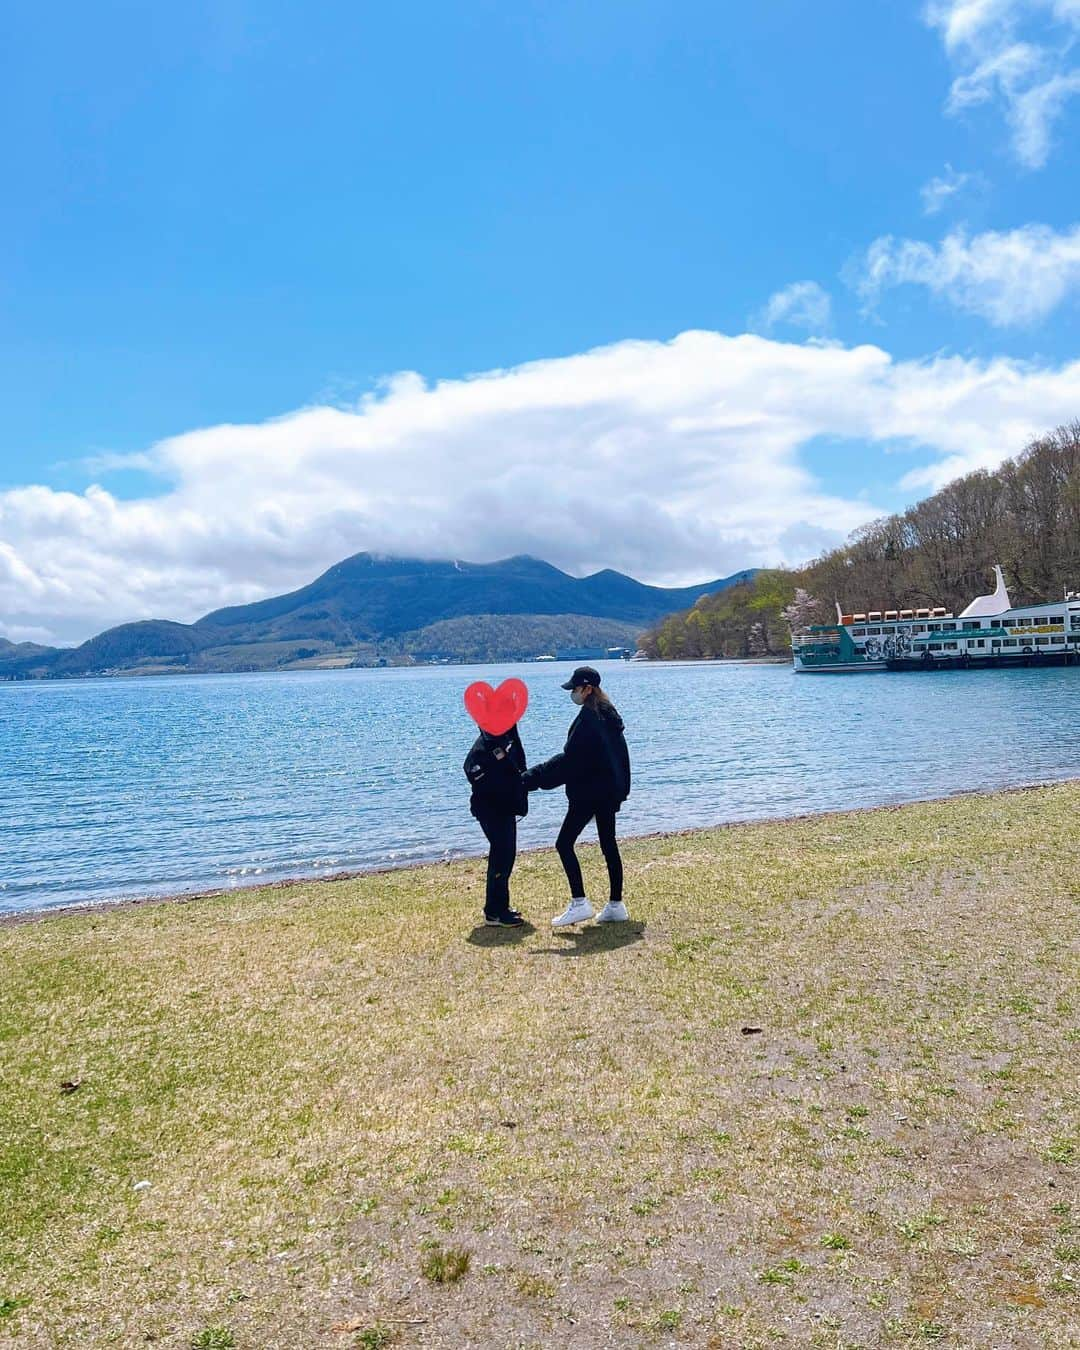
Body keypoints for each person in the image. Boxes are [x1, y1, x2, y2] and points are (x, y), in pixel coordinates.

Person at [523, 666, 631, 926]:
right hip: (608, 791)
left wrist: (530, 779)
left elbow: (568, 762)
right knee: (608, 845)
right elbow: (621, 759)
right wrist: (621, 790)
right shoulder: (608, 715)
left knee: (564, 844)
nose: (572, 693)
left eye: (575, 688)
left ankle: (580, 902)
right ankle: (616, 905)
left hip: (589, 793)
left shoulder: (589, 720)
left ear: (588, 689)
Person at [463, 720, 529, 926]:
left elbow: (516, 766)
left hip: (506, 807)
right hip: (492, 810)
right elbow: (472, 772)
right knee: (501, 855)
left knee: (506, 855)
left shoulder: (506, 738)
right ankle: (494, 911)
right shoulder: (483, 746)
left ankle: (501, 905)